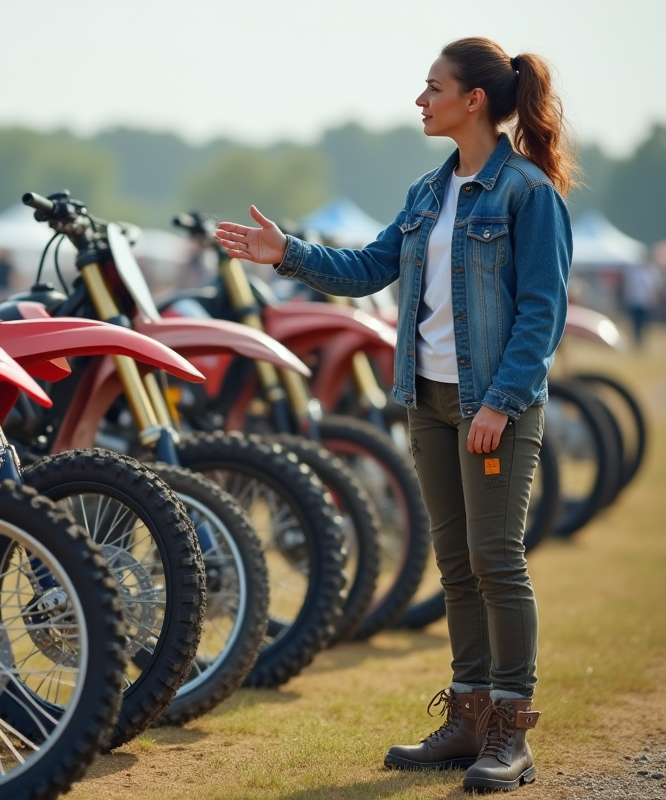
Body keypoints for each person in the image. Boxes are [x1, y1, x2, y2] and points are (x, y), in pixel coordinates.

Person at [215, 37, 573, 793]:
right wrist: (287, 253)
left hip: (493, 408)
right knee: (454, 566)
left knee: (496, 559)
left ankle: (512, 729)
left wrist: (502, 403)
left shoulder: (528, 192)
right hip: (429, 402)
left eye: (432, 87)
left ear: (472, 100)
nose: (420, 99)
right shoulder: (427, 192)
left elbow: (543, 311)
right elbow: (372, 267)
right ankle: (469, 717)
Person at [622, 260, 661, 348]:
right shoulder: (633, 272)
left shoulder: (651, 272)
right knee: (635, 322)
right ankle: (636, 339)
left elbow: (655, 287)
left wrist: (654, 299)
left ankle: (641, 340)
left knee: (644, 323)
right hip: (635, 302)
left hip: (646, 302)